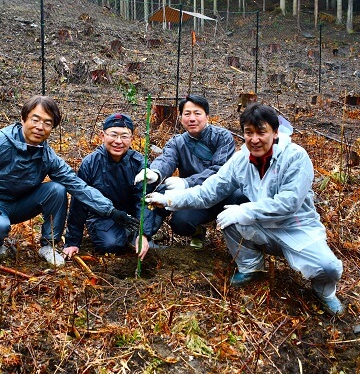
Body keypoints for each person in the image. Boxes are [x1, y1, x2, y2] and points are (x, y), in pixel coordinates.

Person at [145, 103, 345, 315]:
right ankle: (250, 267)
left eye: (261, 132)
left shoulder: (295, 157)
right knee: (228, 217)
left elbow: (289, 203)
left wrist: (245, 211)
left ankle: (324, 292)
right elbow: (209, 191)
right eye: (249, 133)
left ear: (275, 132)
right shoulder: (240, 159)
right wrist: (168, 199)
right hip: (261, 224)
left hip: (297, 227)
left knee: (328, 268)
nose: (255, 139)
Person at [0, 95, 139, 266]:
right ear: (23, 119)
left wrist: (110, 211)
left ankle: (48, 245)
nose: (40, 127)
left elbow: (76, 185)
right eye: (35, 120)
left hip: (21, 204)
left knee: (57, 189)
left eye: (47, 123)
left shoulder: (47, 155)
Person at [134, 94, 244, 249]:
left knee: (243, 197)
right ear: (180, 118)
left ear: (207, 116)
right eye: (187, 114)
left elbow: (220, 169)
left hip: (224, 194)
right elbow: (167, 159)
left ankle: (241, 245)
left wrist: (186, 182)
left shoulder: (222, 137)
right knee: (181, 223)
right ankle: (197, 231)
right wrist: (155, 172)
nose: (192, 118)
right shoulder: (177, 142)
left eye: (197, 113)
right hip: (194, 197)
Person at [63, 113, 160, 260]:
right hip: (103, 217)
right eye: (113, 135)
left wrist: (143, 232)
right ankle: (127, 238)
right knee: (111, 245)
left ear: (132, 139)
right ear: (102, 136)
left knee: (162, 193)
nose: (118, 141)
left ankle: (138, 237)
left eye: (124, 136)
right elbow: (79, 203)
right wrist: (72, 241)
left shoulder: (139, 163)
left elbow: (143, 200)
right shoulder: (90, 163)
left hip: (132, 217)